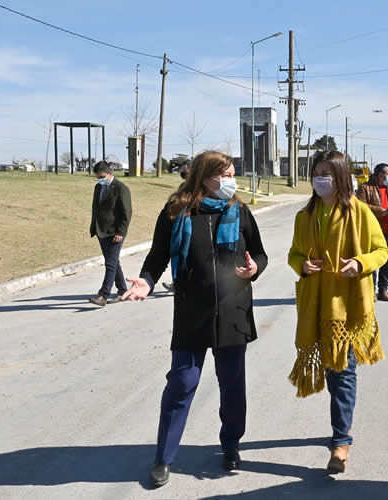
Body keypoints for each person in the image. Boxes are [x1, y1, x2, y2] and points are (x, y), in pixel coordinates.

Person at [121, 151, 268, 488]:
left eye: (232, 173)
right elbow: (158, 254)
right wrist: (146, 280)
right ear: (204, 177)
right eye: (224, 174)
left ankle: (231, 444)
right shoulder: (177, 211)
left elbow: (258, 252)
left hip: (233, 312)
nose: (231, 180)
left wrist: (255, 268)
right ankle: (163, 458)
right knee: (182, 384)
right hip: (191, 312)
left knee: (233, 387)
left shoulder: (238, 210)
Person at [287, 150, 388, 474]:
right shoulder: (304, 216)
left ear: (342, 177)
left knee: (343, 373)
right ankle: (340, 428)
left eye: (328, 173)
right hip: (314, 306)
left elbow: (381, 250)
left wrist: (360, 263)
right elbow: (293, 255)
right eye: (317, 172)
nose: (321, 178)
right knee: (333, 375)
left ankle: (341, 442)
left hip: (347, 308)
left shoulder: (359, 213)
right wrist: (301, 265)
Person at [357, 162, 388, 301]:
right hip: (372, 232)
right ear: (380, 175)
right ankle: (371, 291)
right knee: (372, 262)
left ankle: (383, 290)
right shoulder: (365, 188)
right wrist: (382, 212)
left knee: (387, 262)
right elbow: (360, 206)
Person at [88, 161, 132, 306]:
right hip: (101, 231)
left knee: (110, 263)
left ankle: (103, 295)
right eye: (97, 177)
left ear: (110, 173)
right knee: (114, 262)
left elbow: (127, 213)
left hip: (115, 232)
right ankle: (122, 291)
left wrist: (121, 231)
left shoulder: (121, 188)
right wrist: (94, 227)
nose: (99, 179)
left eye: (102, 176)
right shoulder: (98, 187)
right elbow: (96, 208)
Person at [163, 163, 191, 293]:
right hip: (179, 227)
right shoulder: (182, 188)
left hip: (188, 228)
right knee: (178, 254)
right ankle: (177, 282)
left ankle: (180, 282)